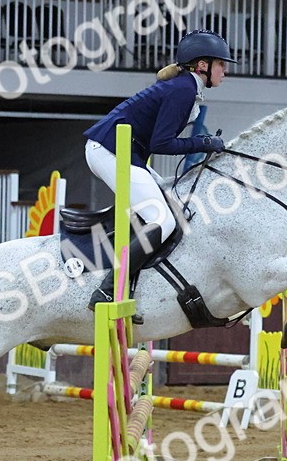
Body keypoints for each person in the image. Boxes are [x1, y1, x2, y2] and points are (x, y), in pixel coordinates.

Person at [82, 29, 235, 317]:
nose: (225, 71)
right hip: (111, 151)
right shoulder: (183, 90)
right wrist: (203, 143)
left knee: (168, 201)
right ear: (202, 65)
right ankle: (107, 288)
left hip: (122, 151)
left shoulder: (185, 87)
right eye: (221, 64)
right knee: (162, 221)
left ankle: (128, 288)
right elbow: (161, 143)